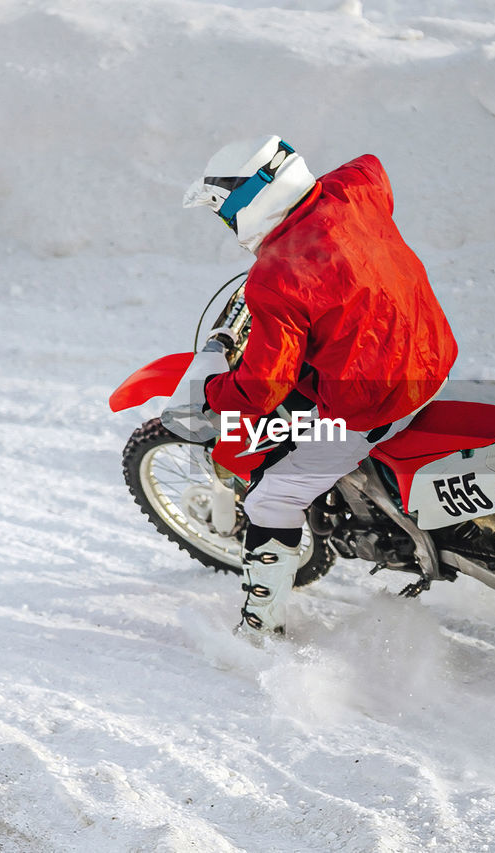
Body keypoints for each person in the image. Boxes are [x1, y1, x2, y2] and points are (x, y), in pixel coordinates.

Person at [167, 135, 458, 640]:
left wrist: (214, 392)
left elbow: (263, 387)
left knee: (268, 502)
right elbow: (372, 162)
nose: (226, 225)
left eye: (223, 213)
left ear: (247, 205)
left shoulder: (276, 276)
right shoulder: (354, 191)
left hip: (377, 402)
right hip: (431, 353)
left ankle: (261, 629)